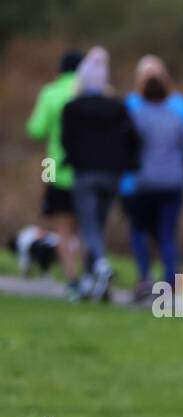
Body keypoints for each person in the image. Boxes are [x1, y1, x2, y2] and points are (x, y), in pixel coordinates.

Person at [60, 47, 139, 302]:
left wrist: (71, 160)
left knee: (88, 224)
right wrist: (127, 164)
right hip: (112, 173)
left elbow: (66, 141)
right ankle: (92, 279)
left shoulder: (73, 107)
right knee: (98, 224)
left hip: (85, 172)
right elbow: (132, 138)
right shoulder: (118, 106)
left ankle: (100, 266)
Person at [122, 59, 183, 298]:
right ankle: (169, 280)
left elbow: (126, 146)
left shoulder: (135, 116)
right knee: (167, 233)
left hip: (144, 182)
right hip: (173, 182)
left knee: (139, 230)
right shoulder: (177, 116)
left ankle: (145, 278)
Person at [25, 49, 83, 299]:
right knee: (87, 229)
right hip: (88, 171)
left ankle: (73, 281)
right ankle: (90, 275)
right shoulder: (92, 92)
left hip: (56, 169)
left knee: (62, 228)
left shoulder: (51, 93)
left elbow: (36, 130)